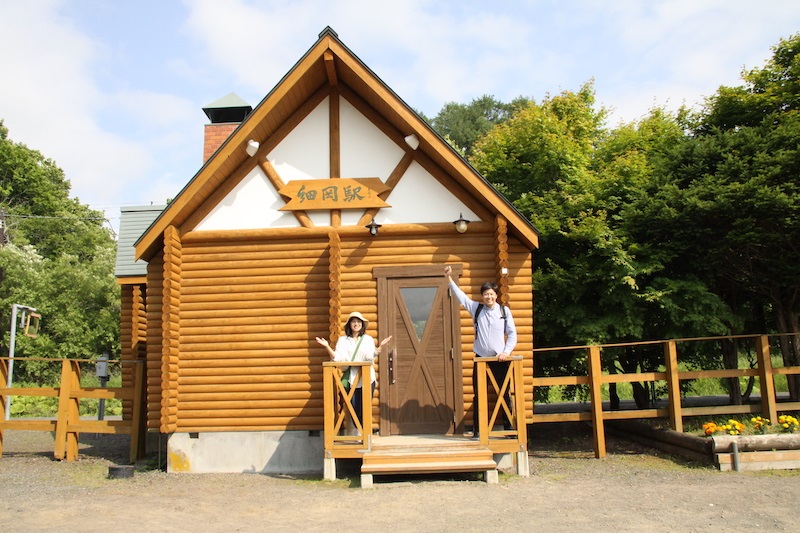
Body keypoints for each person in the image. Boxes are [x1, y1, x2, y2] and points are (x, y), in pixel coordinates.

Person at [444, 265, 517, 438]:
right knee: (479, 395)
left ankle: (509, 429)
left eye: (491, 294)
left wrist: (506, 352)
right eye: (486, 294)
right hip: (480, 359)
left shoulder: (504, 311)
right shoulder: (476, 308)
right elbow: (460, 296)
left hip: (500, 360)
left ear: (496, 295)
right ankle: (478, 431)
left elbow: (512, 334)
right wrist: (449, 279)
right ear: (482, 296)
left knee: (504, 393)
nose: (489, 297)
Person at [316, 311, 392, 432]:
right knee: (353, 407)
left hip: (367, 378)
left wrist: (380, 348)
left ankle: (365, 433)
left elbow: (369, 356)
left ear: (362, 324)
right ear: (349, 325)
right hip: (352, 379)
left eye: (358, 322)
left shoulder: (367, 339)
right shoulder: (343, 340)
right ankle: (363, 430)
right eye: (353, 322)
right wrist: (327, 347)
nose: (356, 324)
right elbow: (338, 358)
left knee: (365, 407)